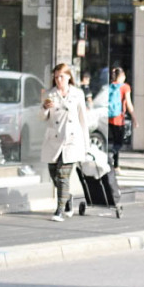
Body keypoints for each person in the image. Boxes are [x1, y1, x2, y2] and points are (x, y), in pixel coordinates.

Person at [40, 63, 90, 222]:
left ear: (69, 76)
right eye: (56, 77)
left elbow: (83, 120)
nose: (58, 80)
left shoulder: (78, 94)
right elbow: (42, 117)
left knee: (63, 175)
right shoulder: (49, 94)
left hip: (71, 140)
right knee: (54, 174)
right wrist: (45, 107)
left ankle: (59, 210)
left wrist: (86, 145)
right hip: (54, 139)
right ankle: (68, 199)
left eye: (61, 76)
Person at [106, 67, 135, 168]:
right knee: (119, 142)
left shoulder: (109, 86)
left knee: (115, 141)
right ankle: (111, 156)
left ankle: (115, 165)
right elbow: (129, 104)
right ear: (122, 76)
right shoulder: (125, 87)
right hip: (119, 118)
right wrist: (134, 118)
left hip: (109, 117)